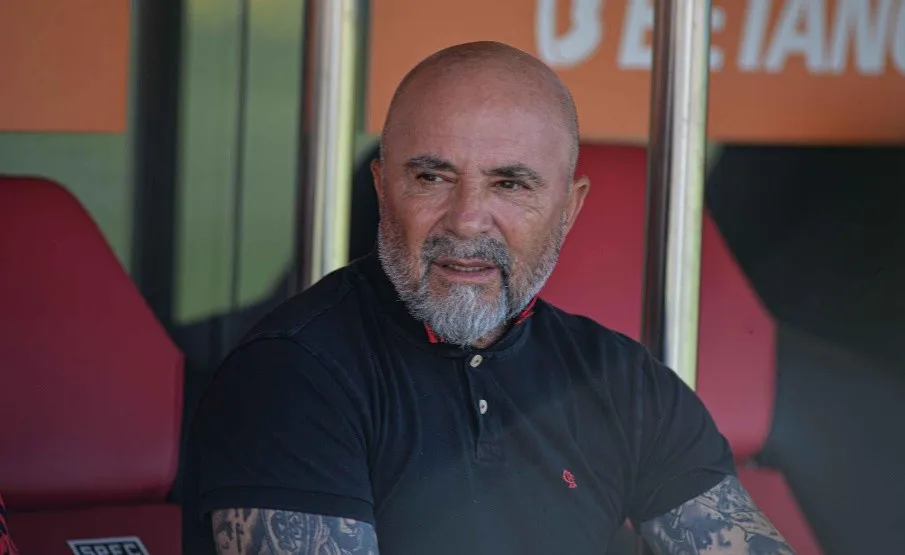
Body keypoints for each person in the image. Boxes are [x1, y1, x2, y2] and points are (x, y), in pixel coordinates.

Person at [189, 41, 795, 554]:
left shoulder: (620, 381)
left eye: (510, 183)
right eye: (432, 177)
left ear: (569, 208)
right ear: (382, 186)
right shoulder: (293, 374)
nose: (467, 219)